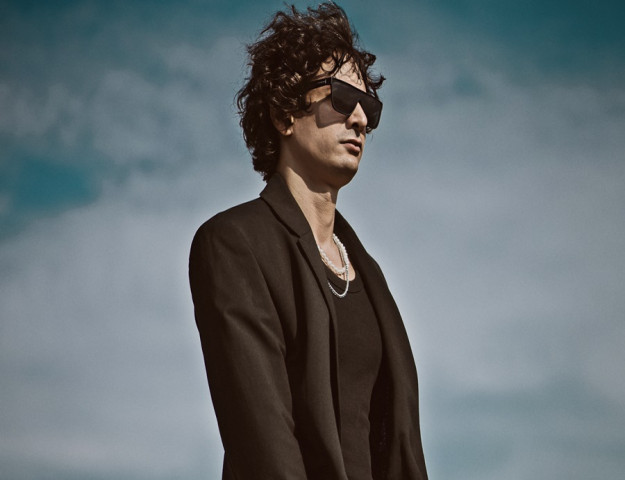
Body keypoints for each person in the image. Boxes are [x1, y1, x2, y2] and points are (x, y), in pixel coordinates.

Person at [189, 3, 428, 479]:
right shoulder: (234, 244)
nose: (359, 119)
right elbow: (262, 442)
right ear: (284, 114)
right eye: (341, 96)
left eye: (369, 107)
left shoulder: (368, 274)